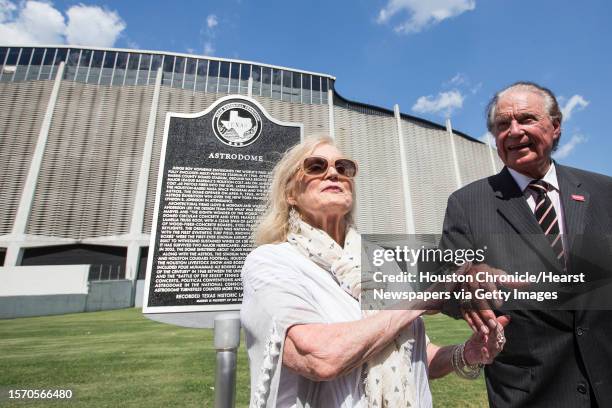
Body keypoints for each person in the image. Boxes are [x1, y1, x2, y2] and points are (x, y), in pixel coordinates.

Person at [241, 136, 509, 407]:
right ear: (290, 194)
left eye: (343, 167)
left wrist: (467, 353)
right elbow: (319, 357)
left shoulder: (380, 263)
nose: (333, 173)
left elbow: (416, 356)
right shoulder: (272, 262)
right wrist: (421, 301)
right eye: (315, 166)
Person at [440, 82, 612, 407]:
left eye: (526, 119)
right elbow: (447, 288)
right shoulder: (468, 203)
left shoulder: (604, 192)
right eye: (503, 125)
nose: (514, 131)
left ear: (555, 126)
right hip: (531, 395)